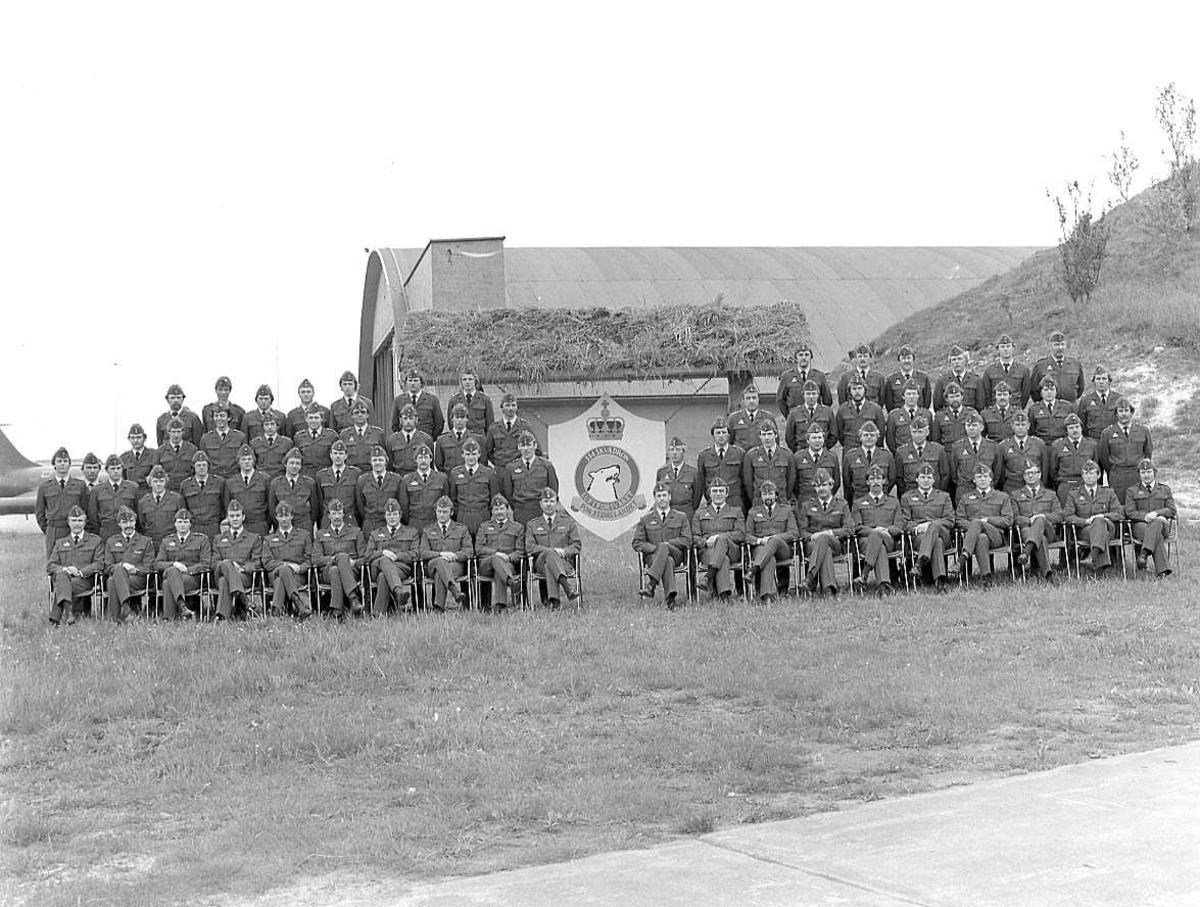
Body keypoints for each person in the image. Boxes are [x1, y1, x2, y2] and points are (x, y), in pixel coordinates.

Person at [950, 464, 1014, 586]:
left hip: (996, 536)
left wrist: (987, 521)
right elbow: (959, 519)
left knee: (977, 522)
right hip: (976, 537)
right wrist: (976, 529)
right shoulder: (966, 498)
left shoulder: (1002, 496)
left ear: (991, 478)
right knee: (981, 538)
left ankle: (962, 558)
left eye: (985, 476)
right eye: (979, 477)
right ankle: (986, 578)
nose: (983, 479)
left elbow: (1008, 520)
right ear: (974, 480)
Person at [633, 481, 693, 610]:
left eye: (664, 495)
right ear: (654, 498)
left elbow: (687, 540)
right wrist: (657, 549)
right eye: (659, 496)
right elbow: (637, 543)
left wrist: (666, 545)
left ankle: (652, 585)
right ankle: (670, 601)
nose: (662, 499)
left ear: (670, 497)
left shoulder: (681, 517)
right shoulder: (646, 519)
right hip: (653, 558)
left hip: (676, 554)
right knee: (667, 560)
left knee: (666, 549)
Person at [796, 469, 852, 596]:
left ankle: (809, 577)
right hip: (812, 545)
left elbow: (849, 528)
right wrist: (812, 537)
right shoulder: (807, 506)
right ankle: (828, 590)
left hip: (835, 543)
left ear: (831, 485)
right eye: (817, 486)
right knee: (824, 549)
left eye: (824, 485)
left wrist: (829, 533)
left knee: (824, 538)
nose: (821, 489)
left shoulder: (841, 505)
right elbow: (802, 531)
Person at [524, 488, 582, 608]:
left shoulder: (568, 522)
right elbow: (529, 547)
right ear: (540, 504)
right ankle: (567, 587)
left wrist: (564, 551)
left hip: (564, 563)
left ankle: (554, 602)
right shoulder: (532, 524)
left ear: (556, 502)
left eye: (551, 501)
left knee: (549, 564)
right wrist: (551, 551)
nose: (549, 504)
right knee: (550, 554)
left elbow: (576, 545)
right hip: (539, 563)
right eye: (545, 501)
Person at [900, 463, 955, 590]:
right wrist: (918, 527)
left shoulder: (944, 496)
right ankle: (940, 580)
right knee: (937, 542)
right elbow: (904, 522)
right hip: (919, 537)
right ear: (917, 479)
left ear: (934, 479)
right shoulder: (907, 497)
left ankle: (920, 563)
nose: (926, 480)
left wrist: (930, 525)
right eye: (923, 477)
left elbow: (950, 520)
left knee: (935, 525)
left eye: (929, 477)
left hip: (943, 533)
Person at [1064, 460, 1122, 575]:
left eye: (1091, 473)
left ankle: (1093, 555)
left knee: (1099, 521)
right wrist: (1085, 521)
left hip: (1107, 527)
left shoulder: (1108, 492)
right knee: (1099, 529)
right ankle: (1099, 564)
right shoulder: (1074, 494)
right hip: (1085, 529)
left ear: (1099, 475)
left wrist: (1103, 516)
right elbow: (1067, 516)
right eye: (1085, 473)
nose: (1088, 476)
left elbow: (1119, 513)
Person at [46, 506, 102, 625]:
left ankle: (59, 615)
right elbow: (50, 565)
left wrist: (81, 572)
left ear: (85, 522)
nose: (77, 524)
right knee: (62, 575)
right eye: (74, 521)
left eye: (80, 520)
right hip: (66, 578)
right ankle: (69, 612)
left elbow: (99, 563)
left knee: (62, 581)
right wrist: (66, 569)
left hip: (84, 580)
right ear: (68, 522)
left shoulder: (95, 541)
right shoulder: (60, 542)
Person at [851, 466, 902, 594]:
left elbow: (899, 526)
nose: (876, 482)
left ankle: (865, 574)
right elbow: (856, 527)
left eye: (879, 478)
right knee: (879, 545)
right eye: (872, 479)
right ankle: (884, 586)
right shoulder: (858, 503)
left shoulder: (893, 502)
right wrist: (874, 531)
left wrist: (884, 530)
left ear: (884, 481)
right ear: (867, 482)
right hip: (866, 543)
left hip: (889, 539)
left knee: (878, 536)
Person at [691, 477, 744, 601]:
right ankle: (724, 596)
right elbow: (694, 536)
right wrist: (705, 542)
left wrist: (720, 538)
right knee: (723, 559)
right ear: (709, 493)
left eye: (721, 491)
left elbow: (740, 534)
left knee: (722, 538)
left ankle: (708, 577)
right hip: (708, 552)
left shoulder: (736, 511)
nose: (718, 494)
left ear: (727, 493)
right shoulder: (700, 513)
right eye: (715, 491)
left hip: (732, 550)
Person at [364, 498, 420, 614]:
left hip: (401, 568)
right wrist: (382, 552)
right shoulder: (375, 533)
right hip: (378, 566)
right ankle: (398, 590)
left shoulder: (411, 532)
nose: (392, 517)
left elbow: (415, 554)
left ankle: (378, 614)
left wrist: (397, 556)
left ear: (400, 515)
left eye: (395, 514)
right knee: (384, 560)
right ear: (385, 516)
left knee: (383, 577)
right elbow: (368, 556)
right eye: (389, 514)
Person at [154, 508, 212, 621]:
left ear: (190, 524)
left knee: (167, 582)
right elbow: (157, 564)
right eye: (180, 522)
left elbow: (206, 563)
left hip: (192, 578)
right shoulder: (166, 541)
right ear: (175, 524)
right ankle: (182, 608)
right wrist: (174, 564)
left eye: (186, 522)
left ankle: (170, 618)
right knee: (170, 574)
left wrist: (187, 570)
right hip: (173, 576)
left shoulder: (201, 540)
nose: (182, 525)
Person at [744, 481, 797, 603]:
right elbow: (747, 535)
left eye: (770, 494)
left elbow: (793, 533)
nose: (768, 497)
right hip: (761, 547)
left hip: (782, 548)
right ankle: (766, 596)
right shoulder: (753, 512)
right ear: (761, 496)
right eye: (764, 494)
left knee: (774, 540)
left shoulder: (786, 511)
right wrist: (759, 540)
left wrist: (774, 538)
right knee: (769, 558)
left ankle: (753, 570)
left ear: (776, 495)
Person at [1012, 460, 1063, 581]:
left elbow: (1059, 516)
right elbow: (1013, 517)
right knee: (1041, 538)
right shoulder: (1015, 495)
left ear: (1039, 475)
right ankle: (1047, 574)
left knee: (1040, 519)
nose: (1030, 475)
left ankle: (1027, 551)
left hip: (1048, 530)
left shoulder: (1051, 494)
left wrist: (1043, 517)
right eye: (1027, 473)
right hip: (1027, 530)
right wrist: (1030, 521)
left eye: (1033, 473)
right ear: (1024, 477)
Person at [313, 498, 364, 617]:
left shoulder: (355, 532)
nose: (337, 516)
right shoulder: (321, 534)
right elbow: (315, 559)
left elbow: (364, 557)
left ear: (344, 515)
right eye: (334, 513)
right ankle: (353, 598)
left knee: (335, 570)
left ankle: (337, 611)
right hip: (326, 571)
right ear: (329, 515)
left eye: (339, 513)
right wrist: (333, 559)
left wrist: (353, 563)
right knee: (339, 560)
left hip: (351, 571)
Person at [420, 495, 473, 610]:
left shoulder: (461, 529)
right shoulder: (428, 530)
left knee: (440, 572)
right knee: (440, 562)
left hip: (455, 565)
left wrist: (455, 556)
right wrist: (441, 555)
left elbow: (469, 551)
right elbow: (423, 552)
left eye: (445, 511)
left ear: (451, 512)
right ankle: (455, 591)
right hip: (432, 565)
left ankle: (439, 606)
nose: (441, 514)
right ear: (435, 512)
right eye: (439, 511)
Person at [1124, 459, 1175, 577]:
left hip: (1162, 526)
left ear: (1155, 472)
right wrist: (1146, 516)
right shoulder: (1132, 491)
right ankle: (1163, 570)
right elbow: (1130, 512)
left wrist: (1157, 513)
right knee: (1156, 532)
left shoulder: (1165, 489)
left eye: (1149, 472)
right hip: (1140, 526)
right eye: (1143, 472)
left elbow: (1172, 510)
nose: (1146, 475)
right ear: (1139, 474)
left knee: (1157, 523)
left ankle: (1144, 553)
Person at [102, 506, 155, 621]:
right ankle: (126, 612)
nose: (128, 525)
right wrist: (122, 566)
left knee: (113, 580)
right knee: (114, 578)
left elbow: (148, 566)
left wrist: (134, 569)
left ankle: (115, 618)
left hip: (137, 579)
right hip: (118, 576)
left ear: (135, 522)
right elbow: (107, 566)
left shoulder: (146, 541)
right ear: (119, 524)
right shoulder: (111, 541)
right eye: (124, 522)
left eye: (131, 521)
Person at [212, 500, 261, 621]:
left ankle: (223, 617)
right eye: (232, 516)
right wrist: (229, 565)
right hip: (220, 574)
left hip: (243, 577)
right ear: (227, 518)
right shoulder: (218, 539)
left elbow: (257, 562)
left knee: (225, 581)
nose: (235, 519)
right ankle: (244, 599)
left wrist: (242, 568)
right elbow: (213, 562)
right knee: (226, 563)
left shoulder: (253, 538)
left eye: (238, 515)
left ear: (243, 517)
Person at [261, 502, 313, 619]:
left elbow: (309, 559)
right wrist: (286, 565)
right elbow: (267, 563)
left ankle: (276, 612)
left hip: (297, 576)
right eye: (281, 516)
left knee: (281, 580)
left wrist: (300, 568)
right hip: (274, 575)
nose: (284, 519)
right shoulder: (269, 539)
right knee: (284, 570)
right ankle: (299, 605)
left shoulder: (303, 535)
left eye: (286, 516)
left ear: (291, 516)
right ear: (276, 517)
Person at [1098, 399, 1152, 506]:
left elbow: (1148, 453)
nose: (1124, 414)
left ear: (1131, 412)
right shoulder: (1107, 433)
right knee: (1118, 506)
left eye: (1126, 410)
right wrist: (1114, 470)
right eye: (1120, 411)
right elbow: (1103, 456)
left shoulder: (1143, 431)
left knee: (1139, 505)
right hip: (1118, 476)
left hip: (1136, 474)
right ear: (1116, 414)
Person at [474, 494, 525, 610]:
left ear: (507, 509)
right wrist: (495, 554)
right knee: (495, 559)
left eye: (502, 508)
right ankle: (512, 583)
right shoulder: (484, 527)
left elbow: (520, 551)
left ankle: (500, 605)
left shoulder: (517, 528)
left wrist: (508, 558)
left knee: (500, 570)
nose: (499, 512)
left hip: (508, 564)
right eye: (496, 509)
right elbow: (478, 548)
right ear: (492, 511)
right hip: (486, 565)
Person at [501, 431, 558, 527]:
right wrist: (518, 507)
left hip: (541, 511)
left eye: (529, 445)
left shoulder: (546, 466)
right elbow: (508, 492)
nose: (526, 449)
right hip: (521, 512)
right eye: (522, 446)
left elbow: (553, 489)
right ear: (519, 447)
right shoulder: (511, 468)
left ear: (535, 446)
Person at [694, 418, 747, 514]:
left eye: (724, 432)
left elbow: (745, 481)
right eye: (718, 433)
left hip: (735, 503)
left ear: (729, 434)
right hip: (713, 503)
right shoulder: (704, 456)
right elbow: (701, 482)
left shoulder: (739, 453)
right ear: (713, 435)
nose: (721, 436)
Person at [948, 412, 1003, 504]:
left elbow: (997, 472)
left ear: (981, 427)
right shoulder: (957, 447)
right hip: (965, 489)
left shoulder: (993, 447)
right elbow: (954, 473)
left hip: (986, 490)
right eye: (968, 425)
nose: (971, 428)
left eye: (974, 425)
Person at [448, 438, 498, 536]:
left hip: (482, 515)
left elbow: (494, 497)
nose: (471, 457)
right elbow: (453, 498)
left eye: (474, 454)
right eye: (468, 454)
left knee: (482, 546)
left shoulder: (488, 473)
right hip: (463, 516)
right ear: (462, 455)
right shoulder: (455, 473)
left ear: (479, 454)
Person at [400, 444, 451, 535]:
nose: (423, 461)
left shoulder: (442, 478)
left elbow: (446, 501)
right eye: (420, 457)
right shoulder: (407, 480)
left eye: (426, 457)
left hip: (435, 523)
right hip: (414, 524)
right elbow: (404, 507)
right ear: (415, 459)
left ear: (431, 459)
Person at [841, 420, 895, 506]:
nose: (869, 437)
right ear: (860, 437)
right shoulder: (851, 456)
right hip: (859, 501)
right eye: (866, 435)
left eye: (872, 435)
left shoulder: (887, 456)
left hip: (881, 501)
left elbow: (892, 479)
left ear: (877, 437)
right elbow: (847, 483)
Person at [743, 419, 795, 506]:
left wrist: (784, 496)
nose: (767, 438)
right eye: (764, 434)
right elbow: (748, 483)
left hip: (780, 502)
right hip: (759, 503)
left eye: (770, 434)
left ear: (776, 435)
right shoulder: (751, 456)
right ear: (760, 436)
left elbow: (791, 481)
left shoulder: (787, 455)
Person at [893, 416, 950, 497]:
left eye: (920, 432)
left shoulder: (938, 450)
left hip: (933, 494)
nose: (917, 435)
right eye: (914, 432)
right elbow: (899, 478)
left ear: (927, 432)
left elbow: (945, 475)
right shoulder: (901, 452)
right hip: (910, 495)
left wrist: (938, 493)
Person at [1048, 414, 1098, 504]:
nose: (1074, 430)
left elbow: (1097, 468)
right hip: (1066, 485)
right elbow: (1053, 470)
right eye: (1071, 428)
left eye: (1077, 427)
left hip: (1085, 484)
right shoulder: (1057, 445)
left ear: (1081, 428)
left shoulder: (1092, 445)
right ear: (1066, 430)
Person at [89, 455, 140, 541]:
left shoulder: (133, 488)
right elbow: (92, 516)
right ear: (107, 470)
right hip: (106, 534)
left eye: (118, 468)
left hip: (128, 532)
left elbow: (138, 512)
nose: (116, 471)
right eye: (112, 469)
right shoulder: (97, 490)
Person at [268, 448, 320, 534]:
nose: (294, 466)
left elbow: (315, 509)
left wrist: (308, 522)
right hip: (283, 525)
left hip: (304, 525)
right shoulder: (275, 483)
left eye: (297, 463)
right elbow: (272, 508)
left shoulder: (309, 483)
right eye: (291, 463)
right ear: (285, 464)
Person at [998, 411, 1049, 494]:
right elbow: (1000, 473)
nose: (1020, 428)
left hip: (1034, 487)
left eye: (1023, 424)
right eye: (1017, 425)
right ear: (1012, 426)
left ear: (1028, 426)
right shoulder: (1003, 446)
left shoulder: (1039, 444)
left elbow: (1045, 470)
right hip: (1012, 488)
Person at [356, 445, 404, 534]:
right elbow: (360, 506)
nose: (378, 463)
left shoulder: (397, 480)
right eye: (374, 460)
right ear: (370, 462)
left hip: (390, 523)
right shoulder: (362, 481)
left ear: (386, 461)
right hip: (371, 524)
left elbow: (401, 503)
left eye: (381, 460)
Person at [226, 445, 272, 537]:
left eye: (249, 459)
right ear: (238, 462)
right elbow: (227, 505)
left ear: (254, 461)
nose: (246, 462)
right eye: (243, 459)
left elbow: (270, 504)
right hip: (240, 526)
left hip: (259, 525)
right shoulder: (231, 482)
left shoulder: (265, 479)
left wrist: (266, 524)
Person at [179, 451, 225, 541]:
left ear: (208, 466)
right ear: (193, 467)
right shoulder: (185, 485)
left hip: (213, 526)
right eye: (198, 465)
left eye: (204, 465)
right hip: (195, 527)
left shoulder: (219, 482)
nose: (201, 468)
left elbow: (224, 505)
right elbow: (183, 509)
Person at [1031, 329, 1085, 404]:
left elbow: (1080, 388)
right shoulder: (1041, 366)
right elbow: (1034, 390)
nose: (1060, 348)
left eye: (1062, 344)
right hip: (1050, 409)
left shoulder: (1075, 364)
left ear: (1066, 345)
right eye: (1056, 345)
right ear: (1050, 346)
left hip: (1071, 407)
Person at [833, 375, 886, 450]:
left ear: (865, 390)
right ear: (849, 391)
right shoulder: (843, 409)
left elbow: (881, 432)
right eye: (854, 388)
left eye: (860, 388)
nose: (857, 391)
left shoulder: (876, 409)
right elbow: (840, 433)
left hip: (869, 450)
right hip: (849, 450)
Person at [316, 440, 361, 528]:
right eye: (335, 453)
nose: (338, 456)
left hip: (349, 519)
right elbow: (320, 501)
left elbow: (358, 501)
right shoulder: (321, 475)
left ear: (346, 455)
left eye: (341, 453)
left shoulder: (355, 473)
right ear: (330, 455)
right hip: (328, 520)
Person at [980, 333, 1032, 409]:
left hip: (1015, 411)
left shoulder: (1023, 370)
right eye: (1002, 346)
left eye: (1008, 346)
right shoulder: (989, 371)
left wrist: (1018, 407)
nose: (1005, 349)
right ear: (998, 349)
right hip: (996, 413)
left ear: (1013, 348)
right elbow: (987, 394)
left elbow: (1026, 394)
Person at [792, 423, 841, 505]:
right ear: (807, 440)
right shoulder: (798, 458)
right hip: (804, 503)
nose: (817, 441)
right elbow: (793, 484)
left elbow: (836, 483)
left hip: (825, 503)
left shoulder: (832, 457)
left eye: (820, 437)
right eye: (814, 438)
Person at [778, 342, 833, 414]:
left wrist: (820, 416)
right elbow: (780, 400)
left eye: (806, 355)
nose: (803, 358)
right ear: (796, 357)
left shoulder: (819, 376)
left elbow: (827, 400)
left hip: (815, 419)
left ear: (811, 357)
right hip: (796, 420)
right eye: (800, 355)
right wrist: (790, 417)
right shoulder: (787, 376)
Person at [483, 393, 535, 469]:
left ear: (517, 407)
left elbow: (536, 449)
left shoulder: (525, 427)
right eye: (507, 405)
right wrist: (497, 462)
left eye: (513, 405)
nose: (511, 408)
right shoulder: (493, 428)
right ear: (501, 408)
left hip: (519, 470)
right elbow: (488, 451)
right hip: (501, 469)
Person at [137, 465, 184, 550]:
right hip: (151, 543)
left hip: (171, 543)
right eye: (155, 481)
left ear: (166, 482)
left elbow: (182, 522)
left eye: (161, 481)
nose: (158, 484)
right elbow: (142, 523)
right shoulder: (143, 502)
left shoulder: (177, 499)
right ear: (150, 483)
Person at [784, 380, 837, 453]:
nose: (811, 397)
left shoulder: (827, 412)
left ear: (818, 395)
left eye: (814, 393)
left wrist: (823, 447)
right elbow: (789, 437)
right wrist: (798, 450)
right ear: (803, 395)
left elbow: (834, 435)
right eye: (808, 394)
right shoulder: (794, 413)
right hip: (802, 453)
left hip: (822, 453)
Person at [386, 404, 437, 477]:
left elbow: (430, 465)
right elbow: (389, 466)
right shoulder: (392, 440)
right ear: (400, 420)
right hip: (399, 478)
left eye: (411, 418)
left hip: (418, 479)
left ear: (416, 419)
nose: (408, 421)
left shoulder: (426, 439)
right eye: (405, 418)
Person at [655, 436, 699, 521]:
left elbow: (697, 496)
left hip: (686, 513)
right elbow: (658, 492)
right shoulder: (662, 472)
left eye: (678, 450)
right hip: (668, 513)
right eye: (671, 450)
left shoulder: (693, 472)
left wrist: (690, 510)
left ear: (683, 452)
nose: (674, 453)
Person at [392, 368, 444, 439]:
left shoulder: (432, 400)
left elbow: (439, 423)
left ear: (421, 382)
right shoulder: (398, 400)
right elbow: (394, 424)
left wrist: (430, 439)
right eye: (410, 380)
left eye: (416, 380)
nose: (413, 383)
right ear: (406, 382)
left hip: (425, 443)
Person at [883, 380, 933, 453]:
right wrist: (898, 452)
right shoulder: (894, 416)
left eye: (914, 393)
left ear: (918, 395)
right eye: (908, 394)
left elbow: (930, 437)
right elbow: (890, 440)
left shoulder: (927, 414)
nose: (911, 397)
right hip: (902, 455)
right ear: (903, 396)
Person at [1077, 368, 1125, 443]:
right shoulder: (1085, 401)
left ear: (1109, 381)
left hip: (1114, 441)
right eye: (1098, 379)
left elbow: (1125, 421)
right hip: (1094, 442)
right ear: (1094, 381)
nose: (1101, 382)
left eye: (1104, 379)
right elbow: (1081, 425)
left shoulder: (1119, 399)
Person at [198, 406, 246, 480]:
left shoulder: (240, 437)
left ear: (229, 418)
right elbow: (203, 461)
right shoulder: (206, 439)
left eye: (222, 416)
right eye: (216, 416)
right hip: (214, 479)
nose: (219, 419)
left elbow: (243, 460)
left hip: (234, 478)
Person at [933, 345, 985, 412]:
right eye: (954, 359)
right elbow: (937, 406)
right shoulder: (942, 381)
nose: (956, 362)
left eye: (959, 359)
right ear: (950, 362)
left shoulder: (976, 380)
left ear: (966, 361)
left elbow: (980, 405)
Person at [433, 404, 483, 473]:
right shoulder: (442, 440)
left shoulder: (476, 439)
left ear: (467, 419)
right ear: (452, 419)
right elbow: (439, 464)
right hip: (449, 479)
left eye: (462, 417)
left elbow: (482, 462)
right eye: (456, 417)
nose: (459, 420)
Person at [339, 400, 387, 472]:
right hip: (350, 474)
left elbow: (385, 457)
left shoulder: (378, 433)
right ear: (352, 415)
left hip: (371, 473)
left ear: (367, 415)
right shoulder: (344, 435)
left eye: (363, 412)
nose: (360, 415)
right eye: (356, 412)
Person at [154, 419, 199, 493]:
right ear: (168, 432)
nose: (176, 435)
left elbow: (196, 471)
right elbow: (156, 473)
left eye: (178, 431)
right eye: (173, 432)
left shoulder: (192, 449)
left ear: (183, 432)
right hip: (168, 490)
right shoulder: (160, 451)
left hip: (188, 489)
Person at [883, 345, 932, 411]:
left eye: (909, 358)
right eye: (903, 358)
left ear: (913, 359)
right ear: (899, 360)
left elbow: (926, 402)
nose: (906, 361)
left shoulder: (923, 378)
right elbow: (889, 405)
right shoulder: (891, 380)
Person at [294, 407, 339, 479]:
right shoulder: (299, 437)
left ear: (321, 419)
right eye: (311, 418)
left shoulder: (331, 435)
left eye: (316, 418)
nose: (313, 420)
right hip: (306, 475)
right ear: (306, 419)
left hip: (326, 475)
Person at [1028, 376, 1075, 445]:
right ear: (1041, 392)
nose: (1049, 392)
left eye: (1052, 389)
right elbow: (1031, 431)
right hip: (1042, 445)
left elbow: (1072, 428)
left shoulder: (1067, 407)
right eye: (1046, 390)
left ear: (1056, 391)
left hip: (1062, 445)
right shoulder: (1034, 409)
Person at [445, 372, 494, 436]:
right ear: (461, 382)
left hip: (479, 438)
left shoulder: (485, 400)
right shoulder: (454, 400)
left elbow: (490, 423)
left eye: (470, 379)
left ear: (475, 381)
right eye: (464, 379)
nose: (467, 382)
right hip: (462, 438)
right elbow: (451, 423)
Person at [929, 382, 974, 447]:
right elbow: (936, 441)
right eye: (952, 397)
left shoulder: (970, 414)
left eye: (957, 396)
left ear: (962, 397)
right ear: (946, 399)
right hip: (947, 453)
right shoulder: (940, 416)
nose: (955, 399)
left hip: (966, 453)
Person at [727, 384, 769, 450]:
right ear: (743, 400)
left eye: (754, 398)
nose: (751, 401)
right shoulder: (734, 419)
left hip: (761, 457)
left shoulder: (768, 417)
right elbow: (729, 442)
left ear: (759, 399)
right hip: (741, 458)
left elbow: (775, 442)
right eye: (748, 398)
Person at [249, 412, 290, 479]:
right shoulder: (255, 443)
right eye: (266, 424)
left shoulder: (286, 442)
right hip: (261, 478)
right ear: (263, 426)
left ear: (277, 426)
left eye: (272, 424)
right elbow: (252, 463)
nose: (270, 427)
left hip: (280, 478)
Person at [120, 423, 156, 496]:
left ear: (144, 438)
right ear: (129, 439)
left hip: (148, 495)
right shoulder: (123, 458)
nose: (136, 440)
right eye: (133, 438)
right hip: (130, 494)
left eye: (139, 437)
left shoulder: (153, 455)